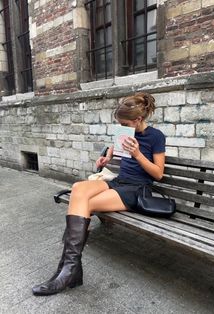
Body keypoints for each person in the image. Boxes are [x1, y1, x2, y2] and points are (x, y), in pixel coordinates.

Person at [32, 92, 166, 296]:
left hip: (136, 189)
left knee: (86, 204)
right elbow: (112, 152)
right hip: (118, 181)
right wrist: (104, 160)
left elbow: (158, 174)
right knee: (78, 189)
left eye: (125, 123)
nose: (122, 127)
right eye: (120, 124)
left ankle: (68, 271)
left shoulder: (156, 137)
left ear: (138, 119)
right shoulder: (125, 132)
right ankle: (70, 270)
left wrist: (138, 154)